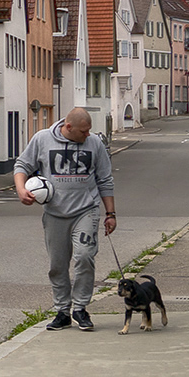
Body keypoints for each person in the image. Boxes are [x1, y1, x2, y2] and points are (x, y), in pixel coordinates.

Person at [14, 107, 115, 332]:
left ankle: (80, 308)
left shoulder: (95, 144)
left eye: (89, 131)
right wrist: (21, 189)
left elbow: (105, 179)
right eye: (83, 131)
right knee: (58, 265)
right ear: (68, 127)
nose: (87, 135)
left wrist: (110, 214)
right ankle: (62, 311)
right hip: (54, 213)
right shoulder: (42, 139)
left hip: (86, 210)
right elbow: (22, 166)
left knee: (85, 256)